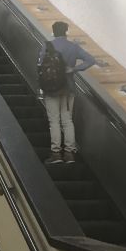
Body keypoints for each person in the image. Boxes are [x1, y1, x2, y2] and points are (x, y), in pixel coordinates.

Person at [39, 21, 95, 164]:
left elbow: (40, 66)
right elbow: (91, 60)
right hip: (68, 88)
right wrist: (74, 69)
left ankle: (56, 154)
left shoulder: (47, 46)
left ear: (53, 31)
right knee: (67, 120)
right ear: (66, 32)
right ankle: (69, 153)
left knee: (54, 121)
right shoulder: (73, 47)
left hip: (51, 89)